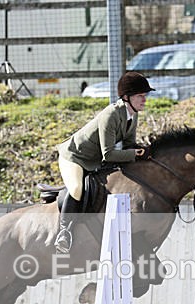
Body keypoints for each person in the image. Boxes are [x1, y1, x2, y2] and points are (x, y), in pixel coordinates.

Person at [54, 71, 154, 253]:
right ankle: (64, 233)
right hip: (75, 157)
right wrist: (134, 154)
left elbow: (129, 145)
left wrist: (142, 151)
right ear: (126, 97)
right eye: (140, 96)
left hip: (94, 160)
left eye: (144, 95)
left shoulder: (133, 115)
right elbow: (108, 154)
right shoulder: (111, 115)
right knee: (77, 188)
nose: (144, 100)